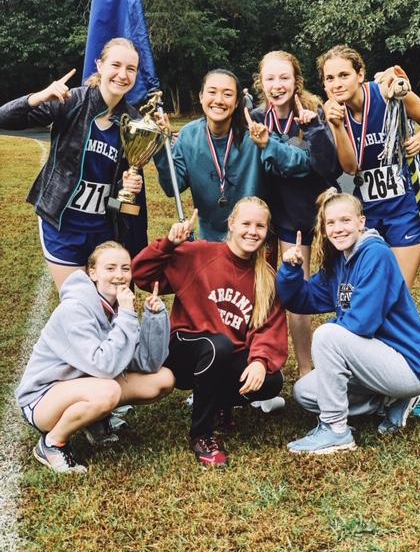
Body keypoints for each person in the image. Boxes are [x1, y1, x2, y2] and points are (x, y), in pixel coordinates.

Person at [276, 189, 420, 455]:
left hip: (409, 365)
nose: (338, 229)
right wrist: (291, 270)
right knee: (305, 392)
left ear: (361, 222)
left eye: (345, 221)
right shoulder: (340, 262)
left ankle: (336, 430)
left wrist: (335, 349)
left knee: (328, 335)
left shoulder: (377, 255)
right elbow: (300, 301)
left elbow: (362, 324)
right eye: (331, 223)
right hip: (374, 363)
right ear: (324, 230)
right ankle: (390, 400)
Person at [132, 198, 288, 468]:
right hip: (185, 351)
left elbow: (269, 327)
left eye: (260, 226)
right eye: (246, 224)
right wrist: (168, 244)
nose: (253, 231)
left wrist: (261, 362)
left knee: (272, 381)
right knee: (219, 345)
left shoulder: (265, 278)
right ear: (231, 224)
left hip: (223, 356)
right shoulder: (199, 254)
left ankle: (217, 403)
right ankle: (201, 435)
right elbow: (142, 274)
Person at [0, 37, 148, 291]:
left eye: (131, 68)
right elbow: (5, 118)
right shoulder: (71, 102)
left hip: (104, 229)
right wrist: (40, 96)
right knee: (78, 306)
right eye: (116, 65)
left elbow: (118, 200)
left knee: (106, 308)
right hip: (62, 225)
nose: (122, 75)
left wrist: (128, 187)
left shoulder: (133, 121)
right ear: (99, 66)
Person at [16, 241, 175, 474]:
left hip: (87, 384)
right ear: (92, 273)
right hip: (42, 398)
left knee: (163, 379)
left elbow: (147, 364)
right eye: (110, 268)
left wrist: (154, 318)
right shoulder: (76, 308)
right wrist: (129, 316)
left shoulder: (118, 308)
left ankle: (95, 420)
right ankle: (52, 444)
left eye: (125, 268)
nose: (119, 275)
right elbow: (104, 367)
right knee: (108, 390)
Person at [248, 50, 356, 376]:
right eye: (270, 78)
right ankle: (306, 371)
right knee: (298, 290)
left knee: (346, 286)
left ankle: (352, 359)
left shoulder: (314, 111)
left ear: (297, 80)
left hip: (324, 213)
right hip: (288, 220)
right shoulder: (255, 116)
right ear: (261, 82)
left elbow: (329, 167)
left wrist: (314, 131)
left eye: (284, 77)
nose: (277, 85)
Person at [316, 45, 420, 289]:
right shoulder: (332, 114)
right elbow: (352, 167)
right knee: (370, 286)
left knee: (399, 289)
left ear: (360, 75)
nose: (337, 83)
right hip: (367, 208)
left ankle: (399, 326)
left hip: (407, 203)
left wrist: (418, 140)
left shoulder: (388, 92)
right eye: (330, 78)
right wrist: (337, 126)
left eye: (344, 75)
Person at [154, 68, 310, 241]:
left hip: (252, 241)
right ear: (201, 97)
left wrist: (268, 145)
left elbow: (302, 163)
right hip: (210, 241)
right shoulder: (188, 135)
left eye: (227, 94)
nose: (219, 100)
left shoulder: (254, 135)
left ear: (237, 102)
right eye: (212, 92)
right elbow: (172, 187)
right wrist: (160, 147)